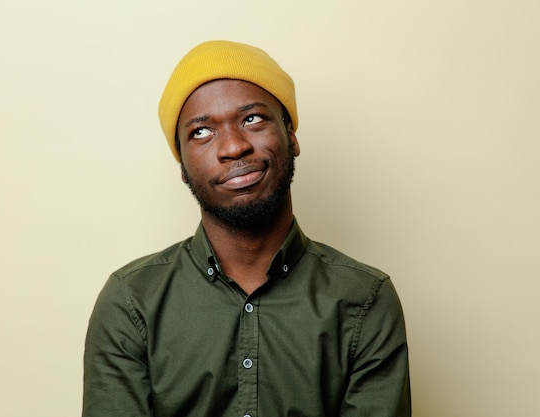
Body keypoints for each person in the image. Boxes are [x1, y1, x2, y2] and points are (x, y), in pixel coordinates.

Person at [83, 40, 411, 417]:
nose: (234, 147)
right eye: (202, 132)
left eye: (252, 118)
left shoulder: (365, 299)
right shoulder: (131, 302)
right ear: (182, 166)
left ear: (291, 135)